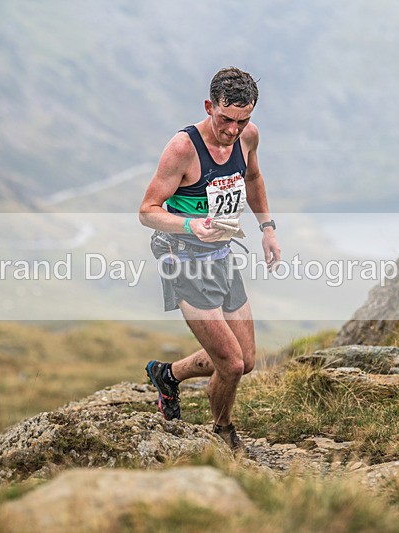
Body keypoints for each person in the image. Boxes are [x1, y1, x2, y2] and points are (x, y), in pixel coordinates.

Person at [139, 67, 281, 451]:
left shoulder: (248, 137)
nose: (233, 130)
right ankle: (223, 432)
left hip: (221, 255)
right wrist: (189, 225)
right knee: (231, 365)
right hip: (182, 258)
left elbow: (252, 179)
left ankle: (167, 374)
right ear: (208, 107)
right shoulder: (183, 149)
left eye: (243, 120)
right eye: (225, 120)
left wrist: (267, 228)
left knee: (246, 359)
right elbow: (148, 211)